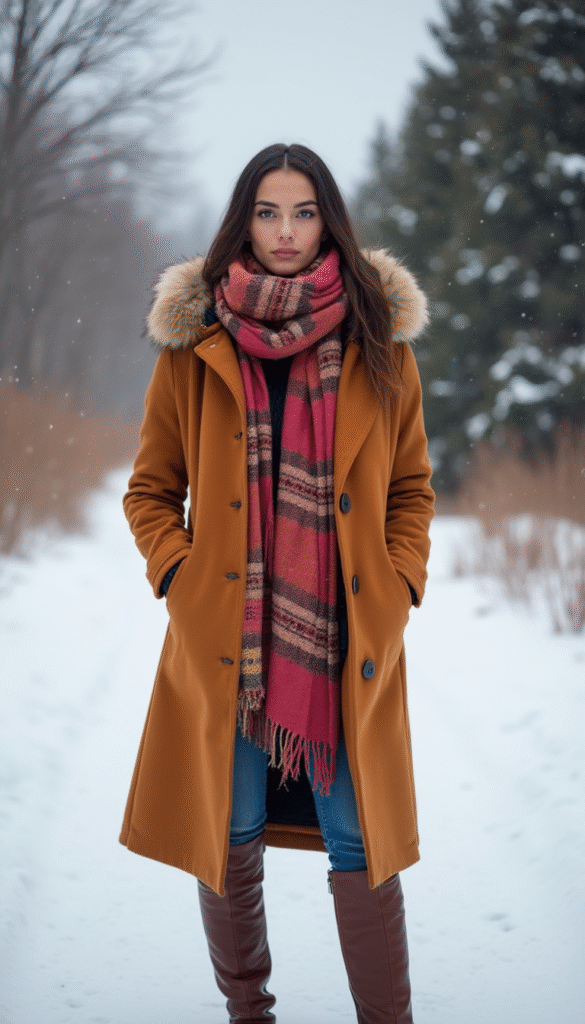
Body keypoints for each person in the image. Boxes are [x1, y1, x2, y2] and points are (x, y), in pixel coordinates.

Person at [120, 143, 434, 1024]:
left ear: (327, 220)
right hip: (226, 642)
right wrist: (179, 574)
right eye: (267, 212)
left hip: (345, 639)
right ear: (243, 222)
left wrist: (400, 581)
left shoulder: (380, 345)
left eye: (303, 212)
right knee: (228, 832)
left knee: (359, 840)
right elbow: (150, 492)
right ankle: (248, 1013)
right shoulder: (195, 349)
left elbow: (410, 490)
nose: (286, 231)